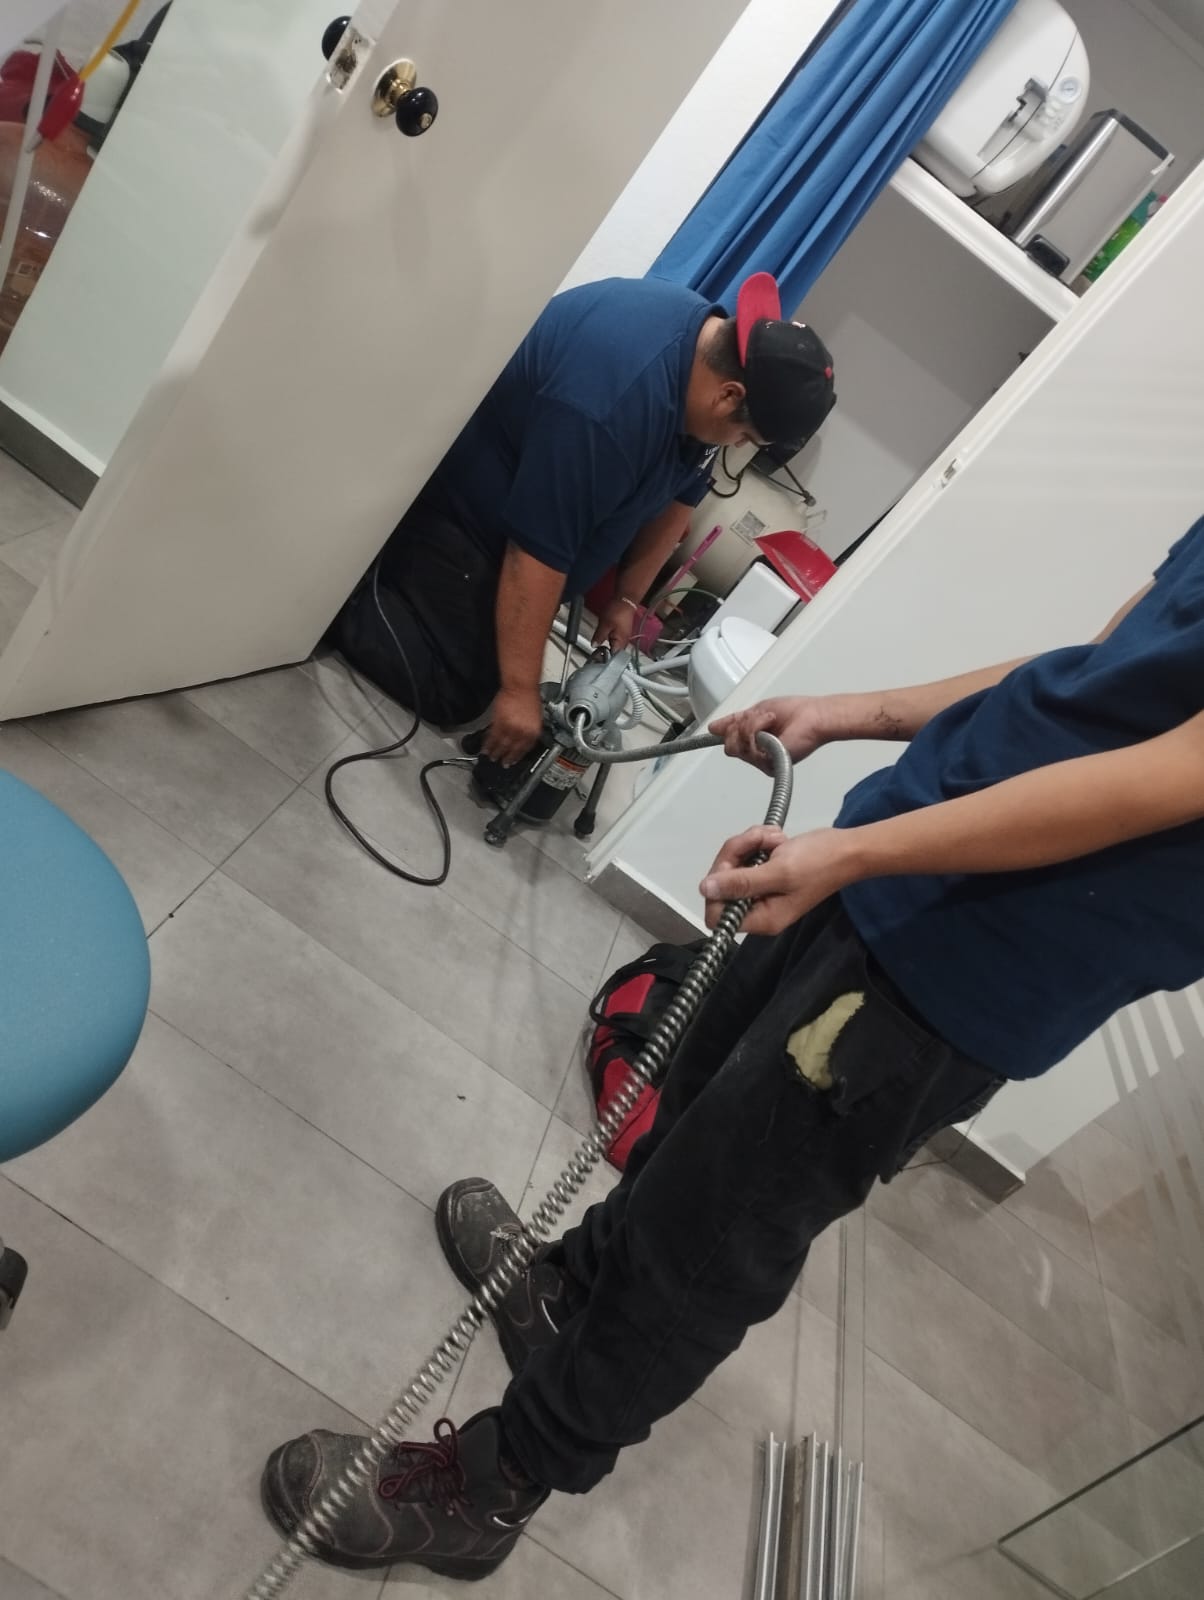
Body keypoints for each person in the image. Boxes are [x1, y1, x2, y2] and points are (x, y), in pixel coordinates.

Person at [260, 517, 1204, 1580]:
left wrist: (856, 855)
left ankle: (498, 1483)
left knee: (717, 1235)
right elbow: (1094, 669)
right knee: (695, 1114)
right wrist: (852, 718)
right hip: (892, 861)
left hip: (971, 963)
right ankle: (573, 1291)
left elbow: (1170, 775)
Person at [327, 271, 835, 766]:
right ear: (729, 396)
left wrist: (628, 599)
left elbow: (681, 497)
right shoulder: (611, 400)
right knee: (451, 693)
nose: (738, 444)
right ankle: (331, 584)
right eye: (745, 437)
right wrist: (519, 690)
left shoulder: (705, 365)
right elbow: (536, 548)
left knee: (492, 670)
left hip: (521, 539)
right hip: (467, 520)